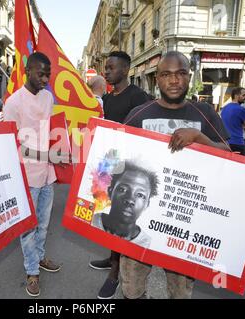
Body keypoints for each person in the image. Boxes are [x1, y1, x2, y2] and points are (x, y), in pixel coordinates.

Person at [122, 51, 230, 299]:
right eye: (166, 74)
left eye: (180, 73)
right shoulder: (139, 114)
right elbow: (116, 158)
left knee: (180, 293)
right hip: (141, 221)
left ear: (189, 77)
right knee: (131, 288)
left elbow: (230, 156)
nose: (174, 80)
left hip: (185, 220)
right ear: (156, 79)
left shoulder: (205, 113)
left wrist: (199, 138)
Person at [89, 51, 153, 300]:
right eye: (105, 67)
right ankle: (112, 256)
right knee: (107, 215)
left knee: (121, 220)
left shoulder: (139, 97)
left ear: (126, 70)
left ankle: (115, 275)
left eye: (111, 67)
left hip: (128, 169)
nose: (106, 71)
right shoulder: (107, 97)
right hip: (109, 163)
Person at [3, 52, 63, 297]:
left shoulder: (48, 97)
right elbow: (12, 145)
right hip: (27, 176)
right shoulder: (13, 103)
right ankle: (32, 272)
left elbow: (50, 131)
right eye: (41, 73)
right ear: (28, 71)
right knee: (28, 227)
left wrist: (61, 148)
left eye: (48, 74)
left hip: (48, 174)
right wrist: (45, 156)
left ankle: (39, 258)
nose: (46, 78)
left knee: (44, 224)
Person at [91, 160, 159, 248]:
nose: (130, 200)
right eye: (122, 189)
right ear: (110, 192)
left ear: (147, 204)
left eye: (140, 195)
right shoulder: (91, 222)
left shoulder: (147, 244)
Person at [220, 87, 245, 153]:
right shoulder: (241, 109)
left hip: (224, 142)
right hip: (237, 142)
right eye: (243, 95)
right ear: (236, 96)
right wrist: (241, 125)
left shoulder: (224, 108)